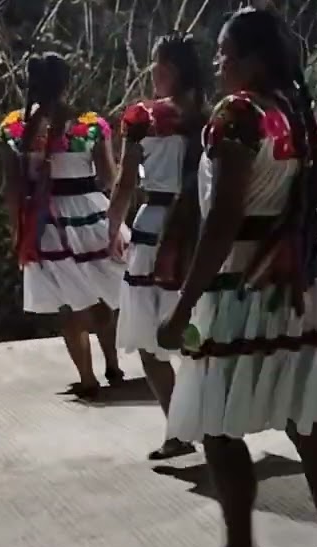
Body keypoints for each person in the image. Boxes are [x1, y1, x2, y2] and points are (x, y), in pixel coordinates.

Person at [156, 7, 317, 547]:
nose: (217, 62)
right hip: (297, 286)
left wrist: (183, 304)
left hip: (244, 286)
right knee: (309, 422)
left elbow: (224, 220)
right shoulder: (296, 114)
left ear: (255, 60)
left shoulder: (238, 116)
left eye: (226, 52)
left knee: (215, 423)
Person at [0, 52, 126, 398]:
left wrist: (16, 230)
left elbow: (13, 187)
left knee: (70, 304)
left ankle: (87, 380)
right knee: (102, 295)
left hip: (45, 222)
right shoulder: (90, 125)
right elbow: (109, 177)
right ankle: (113, 364)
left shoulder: (14, 128)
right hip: (90, 216)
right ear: (67, 82)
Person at [109, 34, 205, 461]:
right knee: (195, 331)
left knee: (151, 341)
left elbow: (126, 181)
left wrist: (113, 227)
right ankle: (207, 423)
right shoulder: (210, 116)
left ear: (172, 69)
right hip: (199, 230)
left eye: (158, 65)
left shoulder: (142, 118)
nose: (153, 73)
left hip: (154, 231)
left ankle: (177, 428)